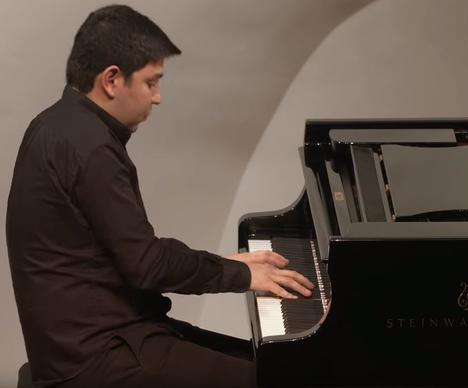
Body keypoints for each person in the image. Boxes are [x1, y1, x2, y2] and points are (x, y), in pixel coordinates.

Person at [6, 5, 313, 388]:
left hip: (95, 336)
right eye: (151, 82)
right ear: (112, 80)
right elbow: (147, 264)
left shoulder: (56, 124)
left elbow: (133, 255)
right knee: (277, 378)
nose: (158, 97)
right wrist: (241, 274)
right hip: (93, 356)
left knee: (275, 366)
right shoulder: (90, 147)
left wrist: (222, 264)